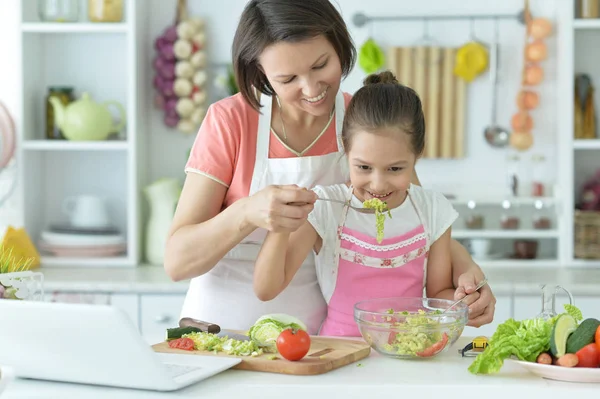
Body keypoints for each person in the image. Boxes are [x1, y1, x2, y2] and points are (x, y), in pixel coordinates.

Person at [164, 0, 495, 335]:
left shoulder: (363, 122)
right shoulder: (230, 121)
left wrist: (469, 270)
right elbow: (177, 262)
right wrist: (248, 212)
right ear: (261, 72)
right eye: (288, 78)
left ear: (339, 45)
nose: (311, 90)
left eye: (320, 65)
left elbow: (412, 218)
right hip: (221, 328)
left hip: (318, 339)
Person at [254, 71, 460, 336]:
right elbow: (266, 288)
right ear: (345, 149)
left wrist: (462, 297)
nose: (378, 184)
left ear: (417, 156)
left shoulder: (432, 209)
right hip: (339, 355)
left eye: (395, 169)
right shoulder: (327, 208)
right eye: (363, 167)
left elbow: (438, 294)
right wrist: (281, 225)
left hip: (409, 356)